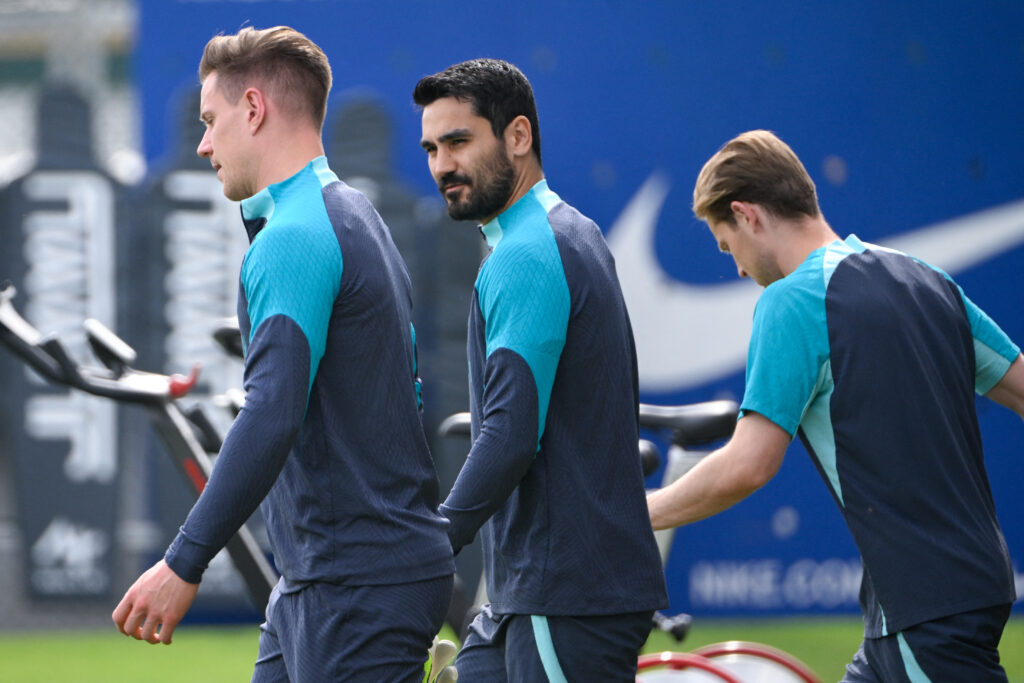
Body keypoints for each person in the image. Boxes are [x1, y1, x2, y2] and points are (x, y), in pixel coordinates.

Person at [112, 26, 455, 681]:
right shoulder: (350, 211)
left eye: (211, 121)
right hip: (327, 581)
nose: (203, 143)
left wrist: (184, 560)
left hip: (354, 586)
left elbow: (272, 412)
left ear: (254, 108)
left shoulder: (292, 239)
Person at [647, 129, 1024, 682]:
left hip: (926, 607)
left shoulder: (791, 302)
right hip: (950, 593)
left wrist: (634, 516)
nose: (739, 270)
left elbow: (749, 464)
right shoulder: (928, 280)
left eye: (728, 247)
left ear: (747, 214)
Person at [413, 58, 668, 681]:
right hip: (524, 599)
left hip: (566, 599)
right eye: (430, 148)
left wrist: (429, 541)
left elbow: (508, 435)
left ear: (518, 137)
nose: (442, 164)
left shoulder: (527, 251)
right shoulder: (561, 232)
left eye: (458, 141)